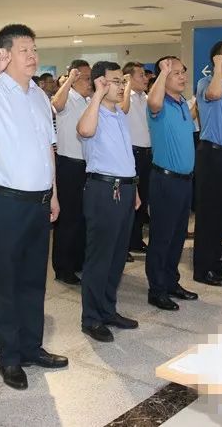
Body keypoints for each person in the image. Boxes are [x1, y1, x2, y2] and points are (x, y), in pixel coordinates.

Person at [0, 24, 67, 391]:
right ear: (4, 55)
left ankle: (31, 346)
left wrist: (53, 193)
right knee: (5, 281)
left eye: (34, 49)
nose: (33, 56)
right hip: (3, 201)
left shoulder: (38, 95)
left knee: (34, 278)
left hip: (38, 200)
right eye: (24, 50)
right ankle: (8, 355)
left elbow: (48, 148)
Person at [77, 61, 140, 342]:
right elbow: (84, 131)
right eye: (116, 81)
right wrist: (97, 96)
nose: (122, 86)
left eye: (122, 81)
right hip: (103, 190)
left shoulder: (118, 114)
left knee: (116, 256)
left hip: (124, 188)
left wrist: (134, 187)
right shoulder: (93, 111)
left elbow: (125, 156)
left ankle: (107, 310)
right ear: (100, 82)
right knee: (100, 257)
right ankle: (91, 318)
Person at [145, 57, 198, 311]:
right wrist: (162, 73)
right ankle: (156, 290)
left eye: (182, 72)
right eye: (175, 73)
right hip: (165, 180)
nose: (182, 76)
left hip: (185, 181)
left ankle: (171, 282)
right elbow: (153, 102)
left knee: (177, 237)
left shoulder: (182, 104)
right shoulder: (159, 103)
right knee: (162, 238)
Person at [192, 41, 222, 287]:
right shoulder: (206, 83)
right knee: (208, 214)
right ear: (218, 59)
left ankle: (216, 260)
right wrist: (217, 68)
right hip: (212, 156)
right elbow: (213, 95)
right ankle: (202, 268)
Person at [50, 59, 92, 285]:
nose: (89, 82)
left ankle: (78, 261)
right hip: (68, 166)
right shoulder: (67, 97)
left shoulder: (89, 100)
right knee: (68, 219)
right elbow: (55, 104)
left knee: (83, 217)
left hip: (87, 165)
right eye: (85, 78)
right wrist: (68, 81)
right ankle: (63, 267)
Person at [120, 62, 151, 257]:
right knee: (130, 202)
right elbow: (122, 111)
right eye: (141, 75)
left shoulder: (146, 98)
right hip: (131, 153)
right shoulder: (124, 97)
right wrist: (126, 87)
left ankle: (136, 240)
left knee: (143, 200)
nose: (145, 78)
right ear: (129, 78)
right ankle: (124, 245)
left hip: (147, 153)